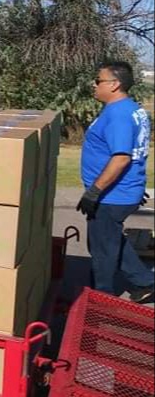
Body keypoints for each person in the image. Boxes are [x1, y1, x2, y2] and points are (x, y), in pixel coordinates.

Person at [77, 61, 153, 303]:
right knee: (110, 240)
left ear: (114, 84)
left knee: (102, 250)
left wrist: (94, 191)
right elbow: (136, 150)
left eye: (98, 80)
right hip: (122, 189)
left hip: (111, 195)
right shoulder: (131, 109)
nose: (94, 84)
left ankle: (101, 300)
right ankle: (144, 282)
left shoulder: (119, 115)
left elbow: (121, 158)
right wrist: (133, 185)